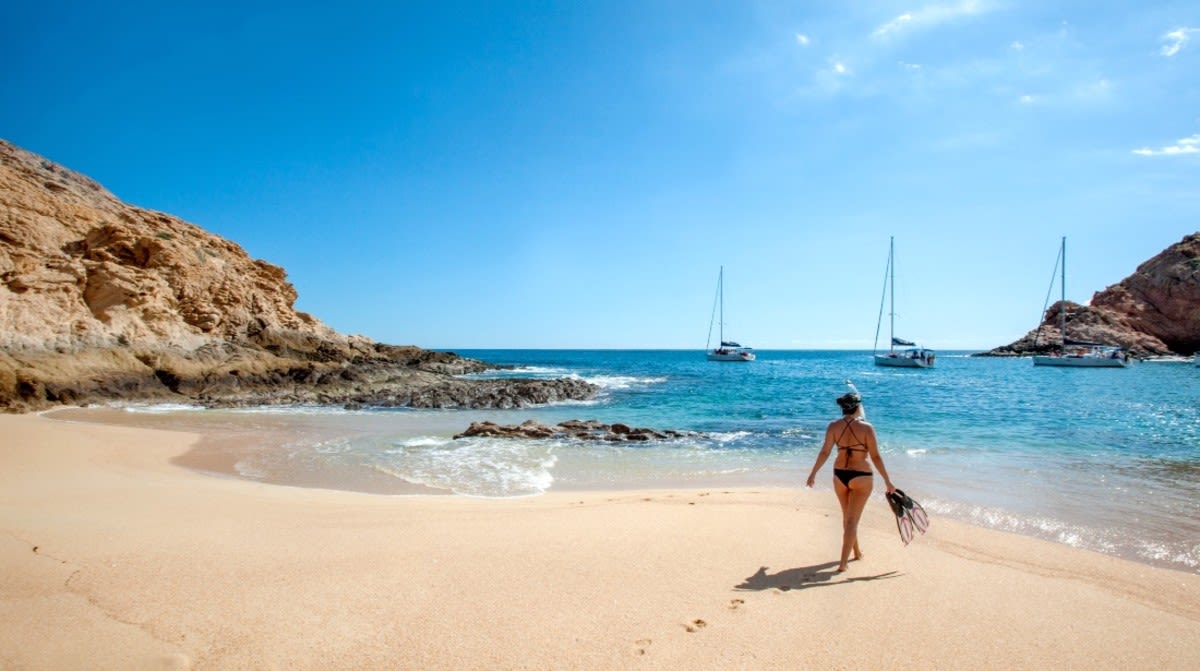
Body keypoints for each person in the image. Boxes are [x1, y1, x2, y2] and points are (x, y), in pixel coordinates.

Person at [805, 388, 896, 572]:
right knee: (852, 520)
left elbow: (825, 452)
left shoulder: (833, 426)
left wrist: (813, 473)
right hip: (861, 476)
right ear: (857, 408)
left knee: (847, 518)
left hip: (839, 475)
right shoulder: (867, 428)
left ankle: (856, 553)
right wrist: (888, 481)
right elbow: (876, 457)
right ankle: (843, 564)